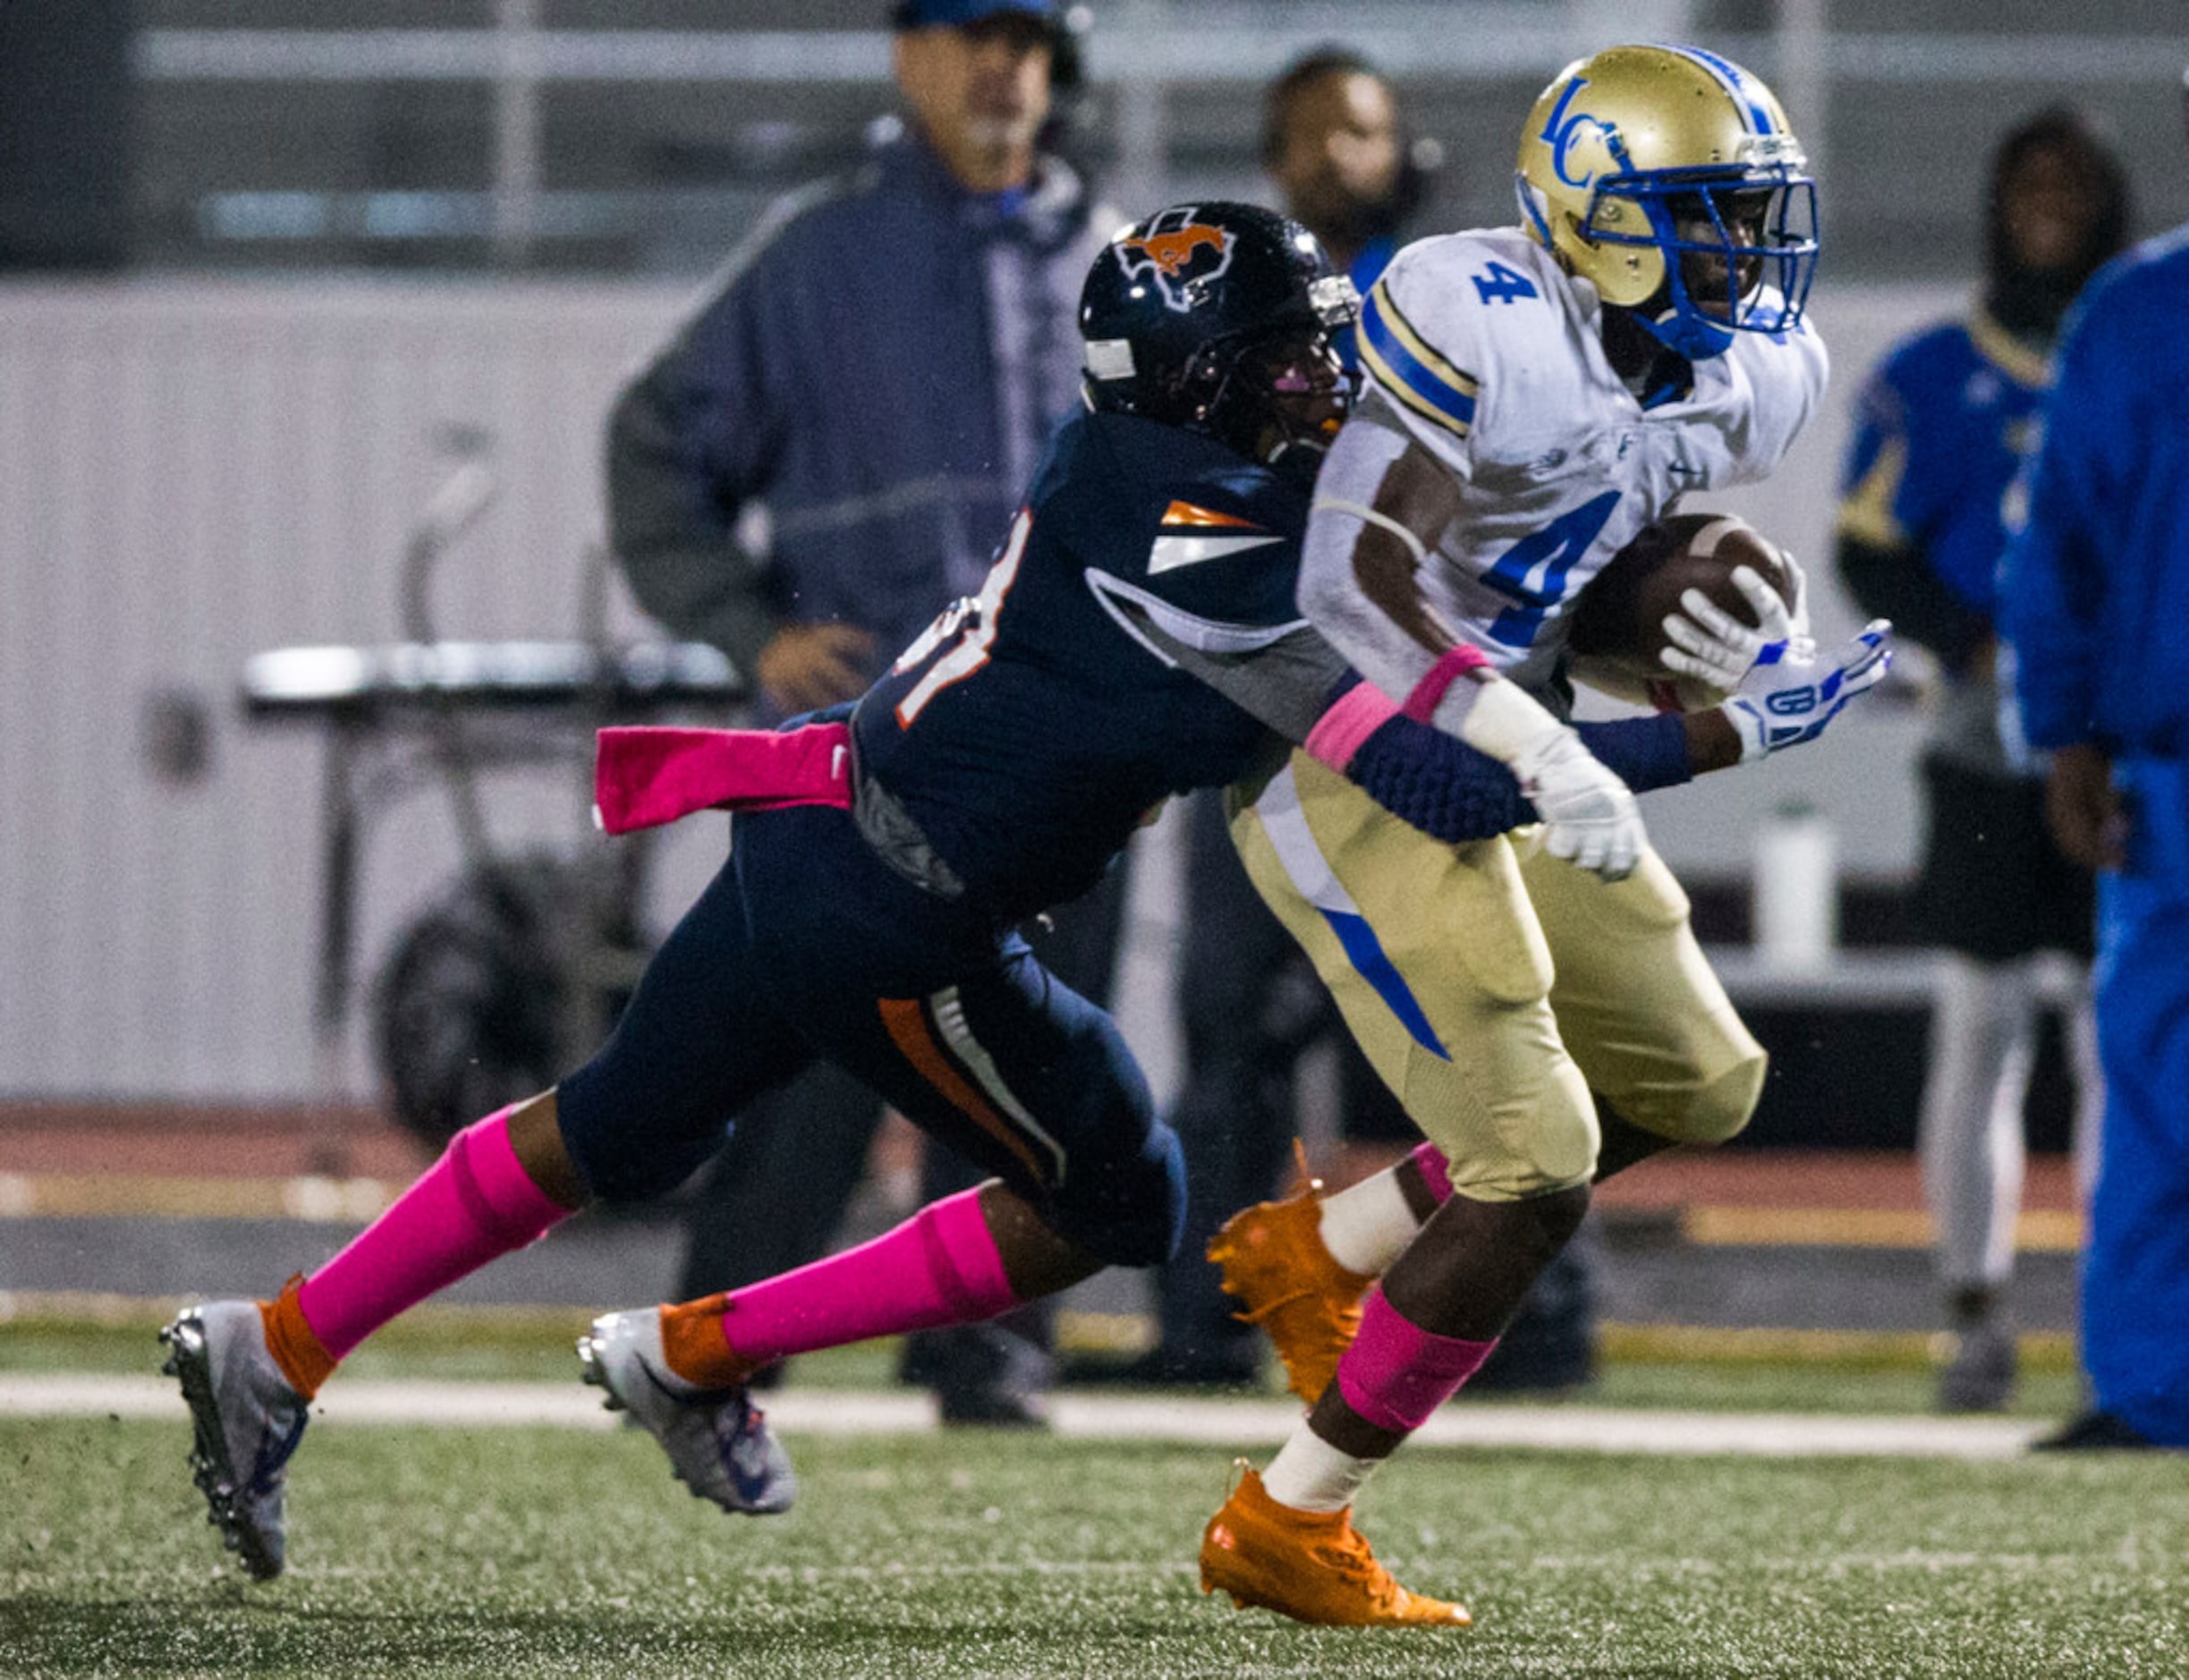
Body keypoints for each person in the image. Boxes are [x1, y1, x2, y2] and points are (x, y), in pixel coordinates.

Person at [159, 200, 1885, 1583]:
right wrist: (1737, 731)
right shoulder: (1227, 560)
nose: (1323, 379)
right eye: (1285, 366)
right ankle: (695, 1350)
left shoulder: (1166, 468)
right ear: (1197, 395)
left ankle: (284, 1337)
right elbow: (1446, 774)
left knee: (611, 1123)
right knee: (1114, 1191)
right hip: (907, 902)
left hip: (815, 809)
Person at [1192, 45, 1864, 1625]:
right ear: (1598, 216)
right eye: (1706, 217)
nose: (1744, 257)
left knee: (1700, 1079)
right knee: (1538, 1158)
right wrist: (1544, 739)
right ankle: (1289, 1518)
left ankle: (1326, 1244)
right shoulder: (1475, 309)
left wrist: (1713, 590)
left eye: (1755, 218)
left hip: (1522, 727)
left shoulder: (1753, 368)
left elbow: (1595, 550)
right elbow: (1351, 583)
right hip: (1353, 749)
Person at [605, 0, 1114, 1425]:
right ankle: (708, 1350)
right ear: (909, 55)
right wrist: (750, 631)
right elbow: (655, 446)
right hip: (859, 753)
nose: (1001, 65)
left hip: (1062, 758)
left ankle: (989, 1357)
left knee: (1034, 1072)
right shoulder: (819, 258)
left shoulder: (1116, 268)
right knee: (807, 1065)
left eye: (1026, 37)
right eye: (969, 34)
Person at [1127, 46, 1598, 1396]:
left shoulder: (1461, 292)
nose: (1346, 151)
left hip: (1436, 696)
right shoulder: (1242, 306)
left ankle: (1529, 1315)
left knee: (1477, 1005)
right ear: (1275, 155)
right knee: (1230, 1019)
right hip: (1273, 696)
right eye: (1318, 132)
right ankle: (1207, 1313)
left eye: (1367, 129)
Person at [1835, 107, 2127, 1413]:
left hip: (2132, 746)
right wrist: (1970, 642)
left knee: (2131, 1039)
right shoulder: (1935, 370)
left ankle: (2127, 1312)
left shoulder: (2140, 348)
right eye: (2028, 182)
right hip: (1986, 744)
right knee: (1985, 1022)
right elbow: (1866, 543)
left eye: (2074, 182)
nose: (2049, 203)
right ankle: (1974, 1305)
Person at [1998, 64, 2189, 1455]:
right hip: (2170, 769)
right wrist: (2062, 733)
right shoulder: (2136, 308)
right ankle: (2150, 1385)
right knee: (2154, 1076)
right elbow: (2056, 544)